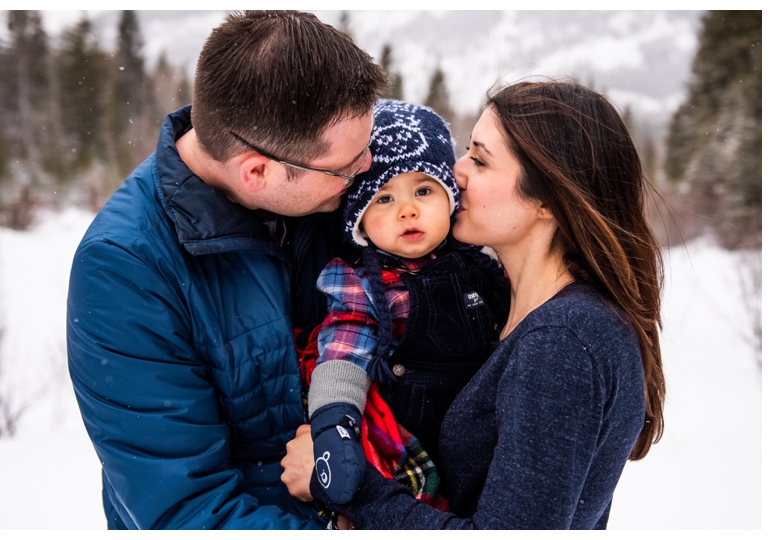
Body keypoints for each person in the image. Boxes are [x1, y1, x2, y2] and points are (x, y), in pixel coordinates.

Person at [280, 80, 666, 529]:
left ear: (547, 200)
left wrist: (350, 487)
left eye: (479, 160)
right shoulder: (511, 309)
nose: (454, 171)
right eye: (465, 151)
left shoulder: (563, 342)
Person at [66, 11, 387, 529]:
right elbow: (185, 509)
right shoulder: (125, 269)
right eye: (346, 166)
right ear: (256, 171)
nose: (370, 166)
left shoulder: (320, 181)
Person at [303, 100, 507, 505]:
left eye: (424, 190)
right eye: (384, 199)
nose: (408, 210)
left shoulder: (483, 269)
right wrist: (333, 423)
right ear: (358, 218)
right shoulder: (361, 284)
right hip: (408, 444)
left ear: (451, 197)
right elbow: (343, 354)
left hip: (481, 437)